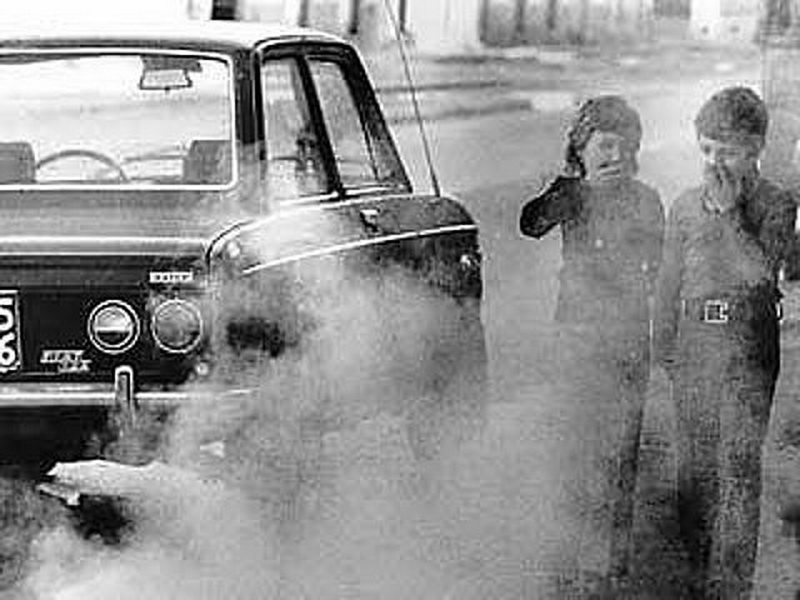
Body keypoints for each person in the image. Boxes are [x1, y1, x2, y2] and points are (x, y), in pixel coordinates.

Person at [654, 86, 797, 599]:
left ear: (756, 149)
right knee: (694, 470)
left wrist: (728, 213)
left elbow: (759, 275)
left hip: (748, 345)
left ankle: (734, 587)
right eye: (707, 149)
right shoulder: (683, 205)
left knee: (738, 470)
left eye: (729, 152)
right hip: (694, 342)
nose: (715, 162)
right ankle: (696, 579)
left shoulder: (777, 203)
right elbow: (668, 281)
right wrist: (663, 348)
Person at [520, 95, 665, 595]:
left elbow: (660, 264)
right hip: (578, 341)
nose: (615, 156)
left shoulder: (645, 199)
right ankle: (562, 562)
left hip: (628, 342)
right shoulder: (571, 195)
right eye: (604, 146)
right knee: (572, 450)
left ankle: (610, 569)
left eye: (625, 146)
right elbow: (530, 224)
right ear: (581, 150)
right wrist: (571, 186)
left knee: (621, 457)